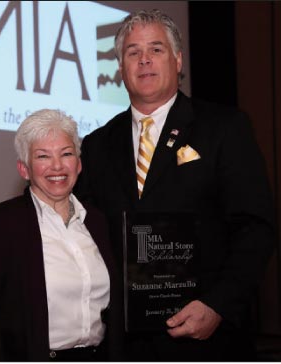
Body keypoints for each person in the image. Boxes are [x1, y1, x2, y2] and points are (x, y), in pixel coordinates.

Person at [74, 9, 275, 361]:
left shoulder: (224, 128)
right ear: (120, 68)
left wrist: (217, 305)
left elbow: (255, 228)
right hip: (123, 344)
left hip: (208, 340)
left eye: (156, 49)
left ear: (179, 60)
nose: (145, 60)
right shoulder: (96, 145)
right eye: (133, 52)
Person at [0, 109, 123, 361]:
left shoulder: (97, 221)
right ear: (24, 168)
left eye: (66, 153)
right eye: (43, 156)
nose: (57, 166)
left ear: (79, 163)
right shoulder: (2, 223)